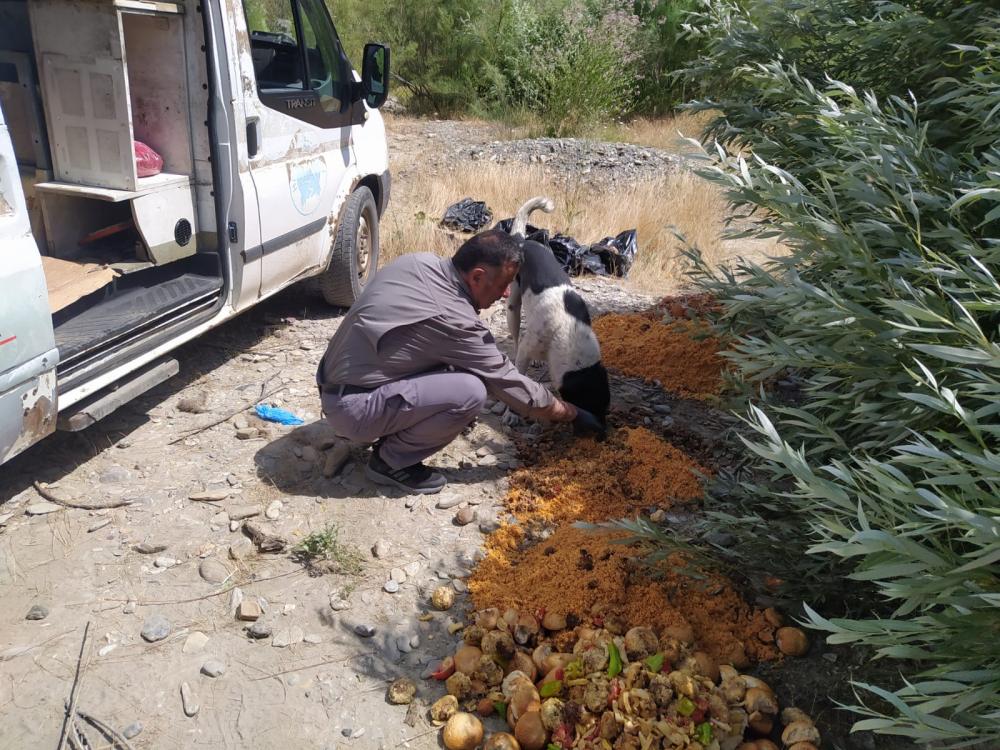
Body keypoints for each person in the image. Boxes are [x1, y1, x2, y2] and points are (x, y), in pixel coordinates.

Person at [316, 229, 578, 494]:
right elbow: (508, 382)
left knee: (460, 366)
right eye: (503, 284)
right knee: (471, 392)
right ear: (477, 277)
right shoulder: (454, 318)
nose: (505, 293)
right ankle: (390, 462)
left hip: (338, 383)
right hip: (352, 408)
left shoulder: (418, 262)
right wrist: (569, 412)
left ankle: (390, 426)